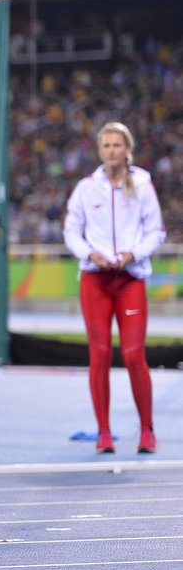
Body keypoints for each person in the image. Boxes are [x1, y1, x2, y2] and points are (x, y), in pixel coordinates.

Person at [63, 121, 165, 455]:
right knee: (100, 356)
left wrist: (134, 253)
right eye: (106, 146)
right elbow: (71, 232)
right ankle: (103, 433)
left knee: (135, 355)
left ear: (127, 149)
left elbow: (156, 231)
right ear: (99, 150)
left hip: (130, 278)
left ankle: (146, 430)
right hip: (96, 280)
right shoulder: (85, 188)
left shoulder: (143, 185)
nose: (111, 151)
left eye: (117, 145)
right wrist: (88, 253)